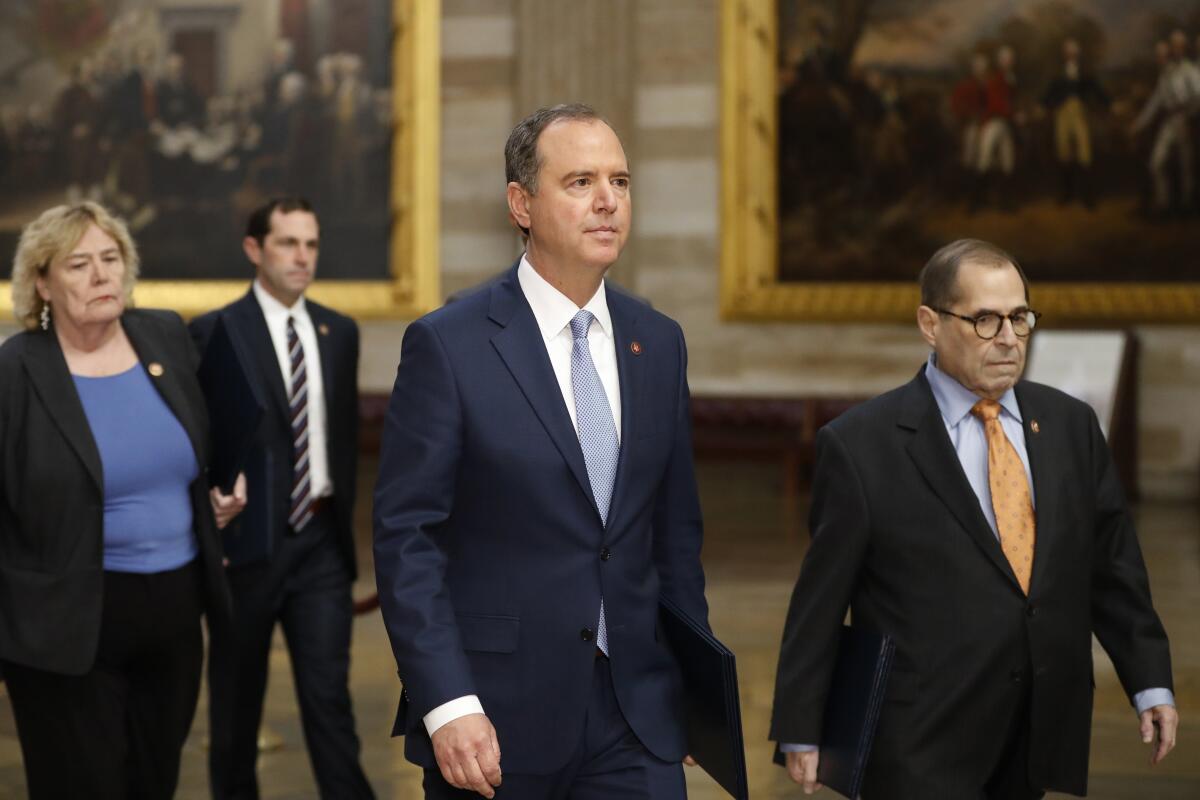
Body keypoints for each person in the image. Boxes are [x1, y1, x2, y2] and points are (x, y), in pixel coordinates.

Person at [373, 103, 710, 799]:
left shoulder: (659, 340)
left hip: (637, 717)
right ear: (521, 204)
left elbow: (674, 534)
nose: (608, 201)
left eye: (620, 180)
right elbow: (409, 539)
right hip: (493, 721)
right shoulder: (450, 344)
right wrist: (448, 703)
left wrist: (690, 694)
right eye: (580, 181)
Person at [770, 238, 1177, 799]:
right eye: (985, 320)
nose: (1009, 339)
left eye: (1019, 318)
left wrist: (1150, 682)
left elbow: (1112, 570)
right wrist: (801, 725)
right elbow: (819, 601)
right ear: (930, 324)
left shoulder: (1071, 426)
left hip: (1035, 730)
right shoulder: (860, 445)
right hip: (918, 740)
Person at [0, 201, 240, 798]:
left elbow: (198, 451)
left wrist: (215, 500)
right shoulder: (15, 372)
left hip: (176, 616)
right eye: (78, 264)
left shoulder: (163, 334)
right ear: (41, 283)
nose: (101, 275)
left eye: (111, 259)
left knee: (152, 781)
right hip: (68, 624)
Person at [190, 197, 373, 799]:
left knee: (329, 702)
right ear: (254, 249)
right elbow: (199, 442)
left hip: (320, 543)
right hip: (245, 549)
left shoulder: (339, 332)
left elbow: (341, 438)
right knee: (236, 709)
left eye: (311, 244)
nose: (302, 257)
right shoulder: (215, 332)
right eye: (288, 243)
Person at [1131, 30, 1200, 215]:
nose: (1177, 49)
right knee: (1156, 162)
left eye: (1180, 46)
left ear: (1184, 48)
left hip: (1185, 120)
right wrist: (1138, 125)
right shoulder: (1166, 73)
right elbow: (1154, 103)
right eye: (1174, 46)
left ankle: (1187, 204)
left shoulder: (1190, 70)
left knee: (1187, 166)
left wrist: (1191, 115)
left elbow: (1198, 96)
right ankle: (1163, 203)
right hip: (1169, 123)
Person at [1040, 39, 1110, 207]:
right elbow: (1049, 93)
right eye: (1068, 52)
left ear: (1077, 54)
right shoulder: (1058, 74)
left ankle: (1087, 197)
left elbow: (1097, 90)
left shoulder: (1085, 73)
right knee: (1063, 152)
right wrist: (1042, 105)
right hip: (1062, 114)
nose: (1071, 55)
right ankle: (1066, 194)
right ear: (1064, 54)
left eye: (1073, 52)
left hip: (1079, 113)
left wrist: (1109, 103)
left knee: (1084, 152)